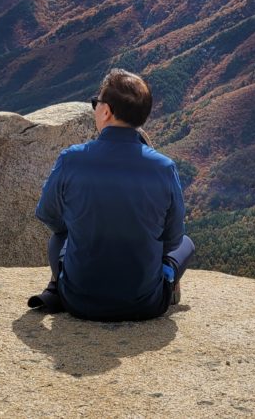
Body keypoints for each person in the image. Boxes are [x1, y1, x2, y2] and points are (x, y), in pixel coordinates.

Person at [27, 68, 195, 321]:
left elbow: (48, 215)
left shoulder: (71, 159)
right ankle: (167, 283)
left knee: (61, 234)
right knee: (186, 243)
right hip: (146, 305)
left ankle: (59, 285)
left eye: (96, 103)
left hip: (78, 302)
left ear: (106, 111)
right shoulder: (164, 167)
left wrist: (81, 231)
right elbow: (172, 239)